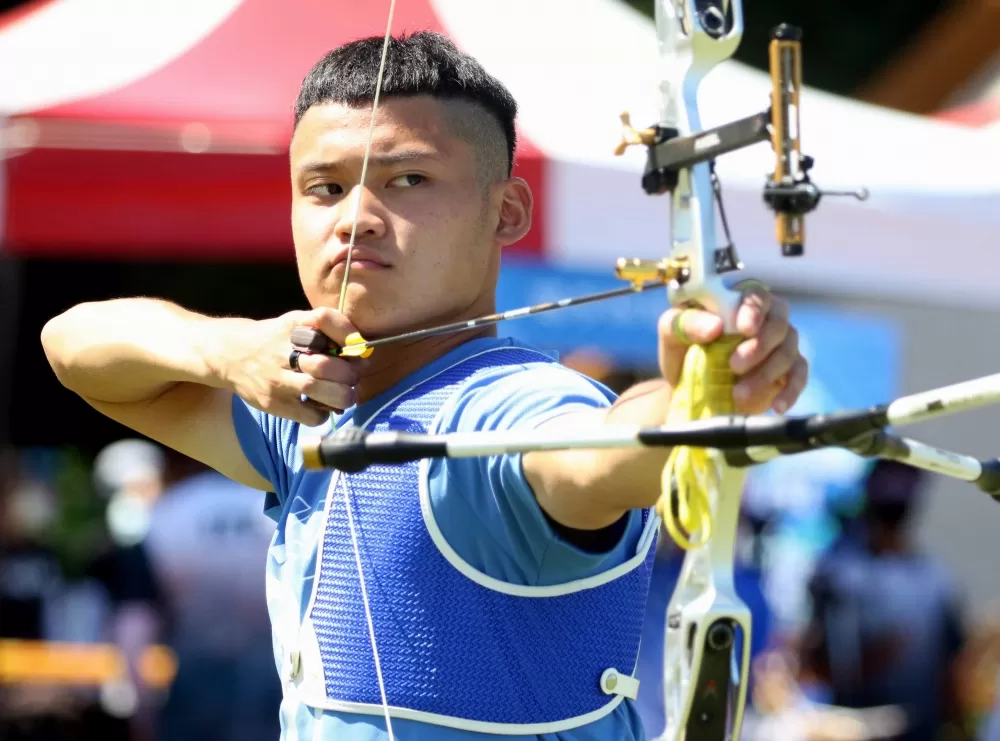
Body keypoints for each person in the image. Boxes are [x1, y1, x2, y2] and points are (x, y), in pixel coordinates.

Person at [40, 31, 807, 741]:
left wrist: (700, 397)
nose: (356, 218)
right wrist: (231, 349)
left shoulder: (509, 408)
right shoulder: (308, 408)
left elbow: (599, 449)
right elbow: (73, 344)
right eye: (324, 187)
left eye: (407, 178)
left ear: (504, 211)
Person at [797, 460, 968, 741]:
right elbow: (812, 663)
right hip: (853, 729)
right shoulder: (839, 572)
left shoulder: (935, 580)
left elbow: (953, 669)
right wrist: (873, 661)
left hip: (920, 732)